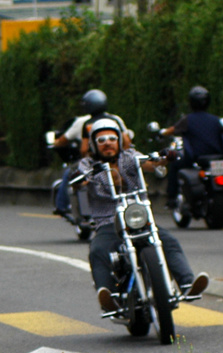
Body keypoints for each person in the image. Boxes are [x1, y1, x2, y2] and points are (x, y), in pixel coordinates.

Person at [75, 119, 208, 312]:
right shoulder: (88, 164)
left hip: (139, 217)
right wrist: (80, 180)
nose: (107, 142)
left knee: (168, 240)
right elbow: (79, 181)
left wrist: (166, 157)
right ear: (94, 144)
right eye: (101, 139)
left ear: (119, 140)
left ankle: (187, 284)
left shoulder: (129, 157)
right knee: (98, 250)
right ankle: (109, 298)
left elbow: (151, 163)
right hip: (109, 222)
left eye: (112, 138)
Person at [52, 90, 131, 217]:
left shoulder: (86, 123)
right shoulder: (115, 120)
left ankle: (62, 206)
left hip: (96, 162)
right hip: (116, 160)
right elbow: (127, 142)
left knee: (70, 174)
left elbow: (83, 149)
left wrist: (89, 162)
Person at [165, 86, 223, 207]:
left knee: (174, 165)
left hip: (197, 159)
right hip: (218, 158)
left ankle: (172, 198)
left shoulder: (187, 120)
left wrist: (162, 132)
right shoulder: (215, 120)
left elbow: (173, 130)